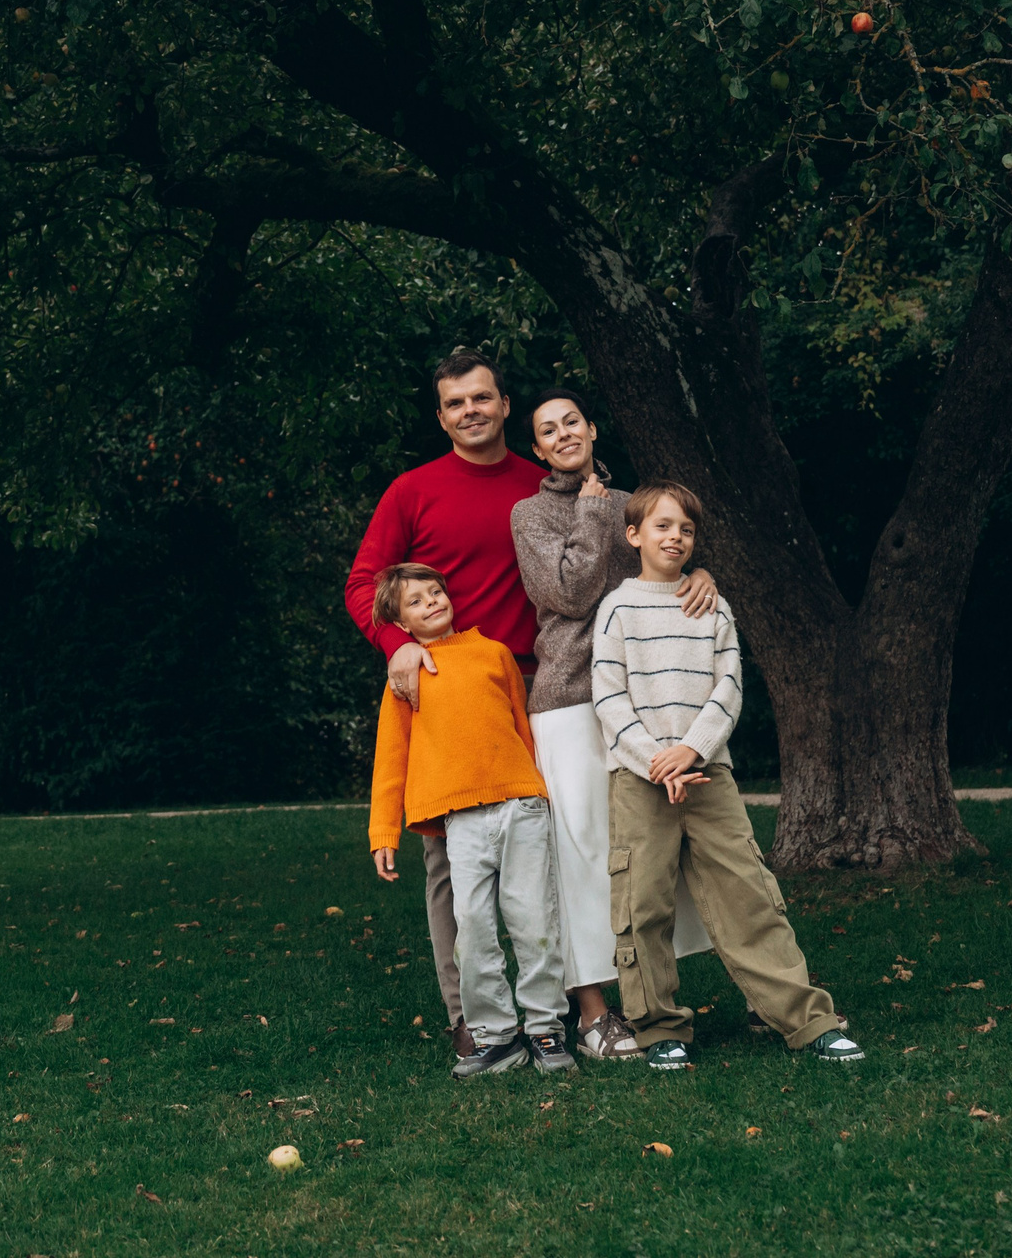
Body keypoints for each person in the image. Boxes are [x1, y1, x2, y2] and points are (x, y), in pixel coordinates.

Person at [591, 481, 865, 1069]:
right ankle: (659, 1027)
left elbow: (729, 688)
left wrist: (690, 751)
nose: (675, 537)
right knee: (644, 905)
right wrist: (654, 760)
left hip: (708, 774)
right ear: (633, 535)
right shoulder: (616, 608)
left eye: (686, 529)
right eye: (662, 526)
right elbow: (608, 698)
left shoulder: (710, 605)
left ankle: (805, 1018)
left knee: (749, 895)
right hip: (641, 781)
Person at [343, 351, 547, 1059]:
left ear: (504, 403)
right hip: (438, 686)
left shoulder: (540, 482)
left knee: (550, 848)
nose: (471, 411)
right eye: (456, 403)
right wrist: (396, 642)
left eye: (481, 398)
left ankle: (557, 1011)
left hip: (532, 685)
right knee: (451, 869)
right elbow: (363, 581)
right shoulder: (413, 490)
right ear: (441, 416)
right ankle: (472, 1016)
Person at [509, 387, 715, 1060]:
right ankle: (593, 1008)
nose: (564, 432)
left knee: (648, 845)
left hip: (640, 695)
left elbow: (660, 570)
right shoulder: (531, 512)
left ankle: (649, 997)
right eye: (548, 428)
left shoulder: (632, 503)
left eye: (573, 419)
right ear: (537, 447)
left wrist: (700, 574)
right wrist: (594, 514)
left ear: (592, 428)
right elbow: (565, 593)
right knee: (582, 852)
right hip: (569, 697)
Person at [365, 561, 575, 1077]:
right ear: (401, 626)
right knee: (473, 929)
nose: (432, 601)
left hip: (520, 805)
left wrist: (538, 791)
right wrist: (383, 831)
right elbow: (391, 758)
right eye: (415, 601)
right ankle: (496, 1037)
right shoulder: (405, 675)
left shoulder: (493, 653)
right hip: (460, 822)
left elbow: (521, 727)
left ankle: (546, 1029)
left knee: (534, 921)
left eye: (436, 592)